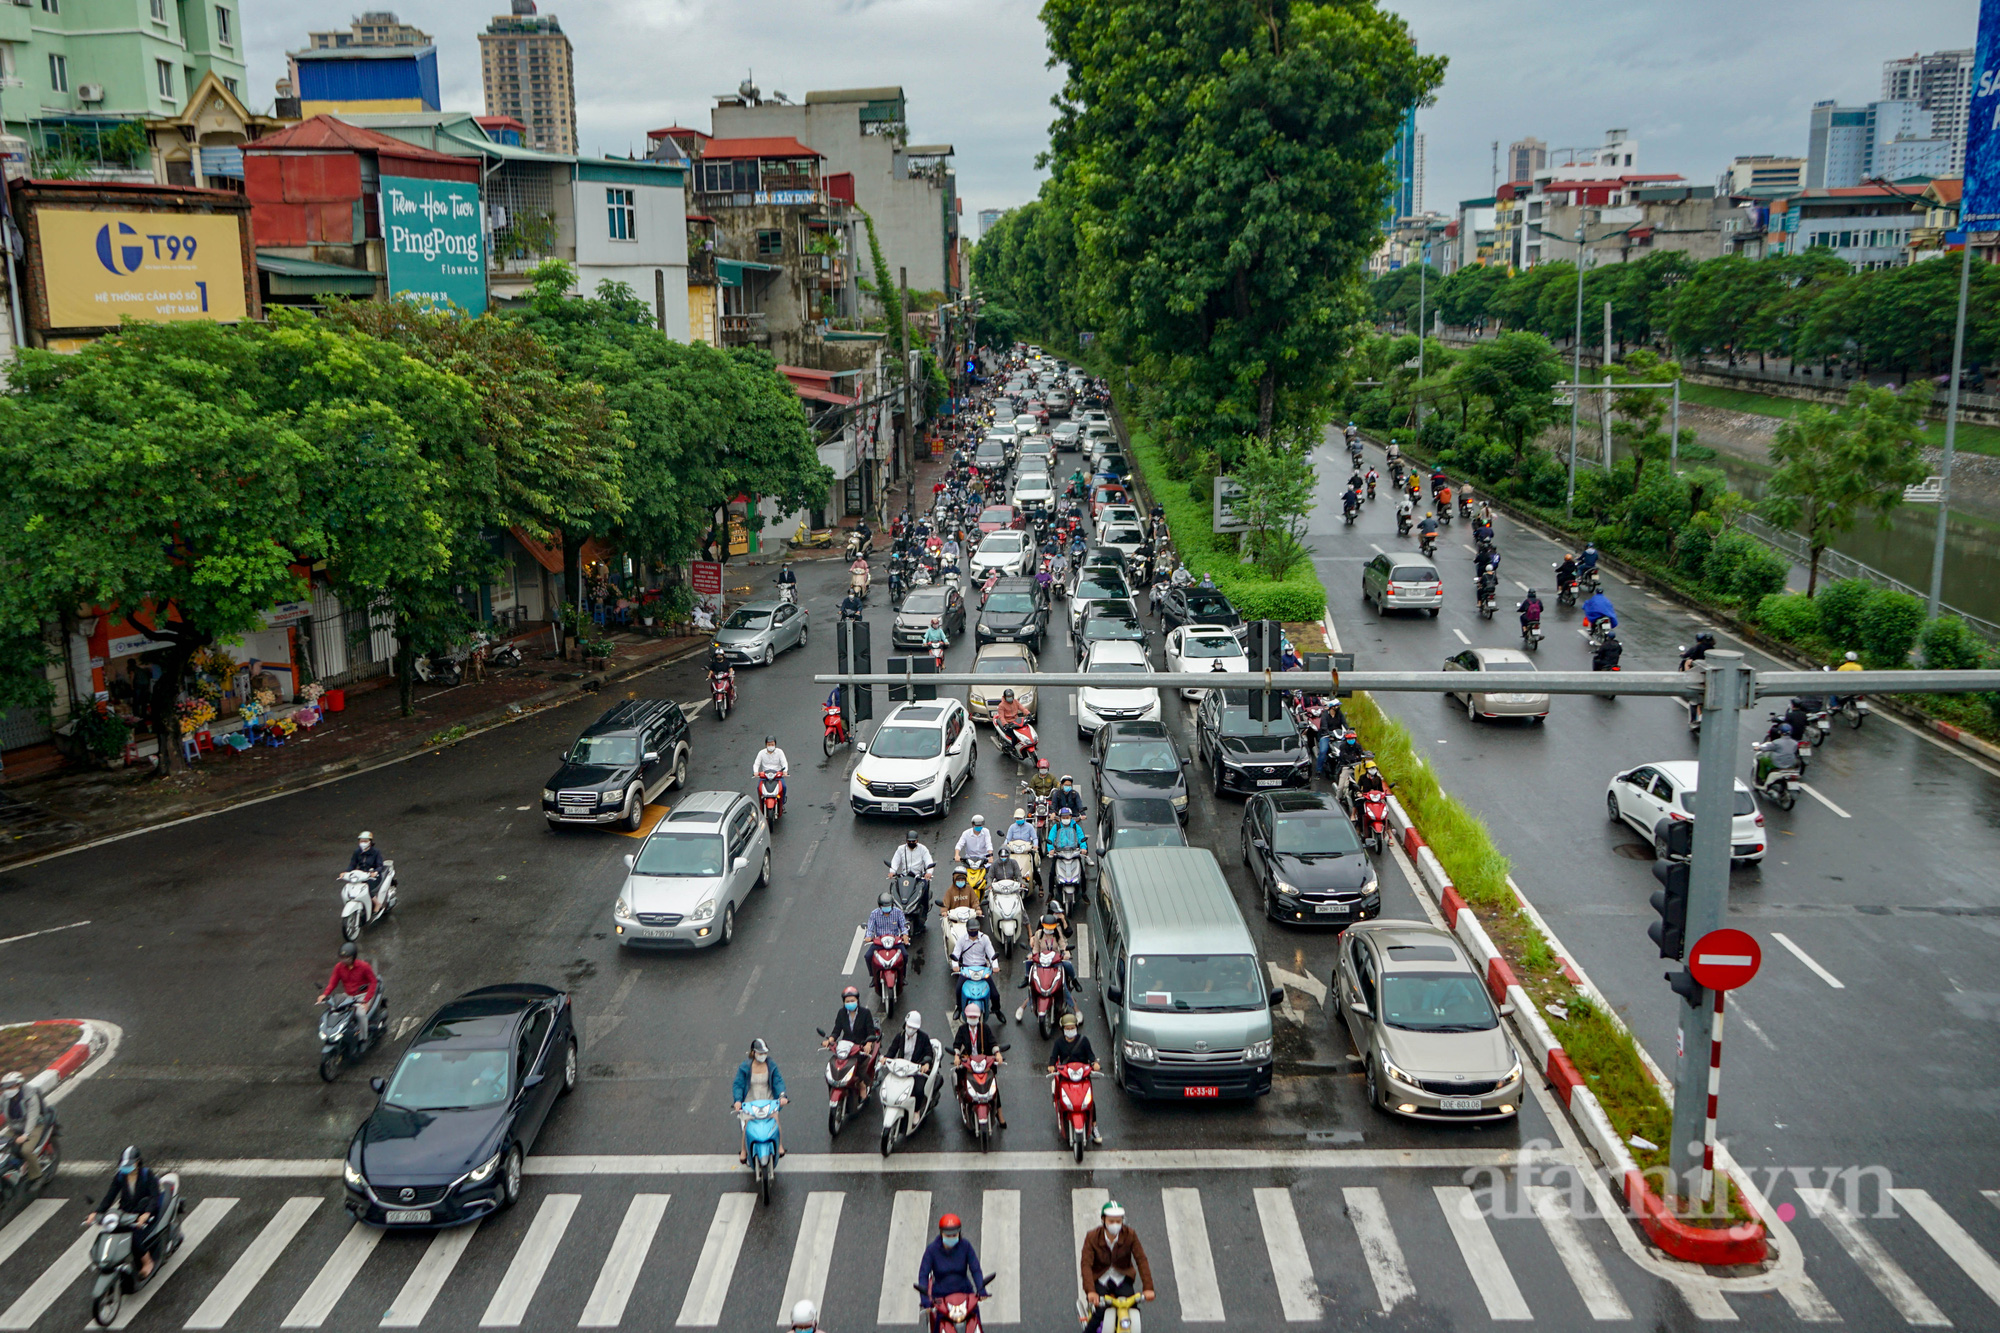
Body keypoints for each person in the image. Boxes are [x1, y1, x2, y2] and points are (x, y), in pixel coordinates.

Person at [89, 1148, 167, 1279]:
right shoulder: (120, 1176)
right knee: (112, 1231)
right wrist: (97, 1212)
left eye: (129, 1164)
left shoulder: (147, 1175)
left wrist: (147, 1213)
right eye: (124, 1165)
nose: (126, 1168)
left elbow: (155, 1197)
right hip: (126, 1213)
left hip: (145, 1213)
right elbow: (110, 1196)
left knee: (134, 1236)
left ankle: (147, 1262)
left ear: (137, 1163)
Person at [1079, 1200, 1156, 1333]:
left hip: (1121, 1278)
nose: (1115, 1225)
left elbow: (1141, 1260)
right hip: (1100, 1278)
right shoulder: (1092, 1237)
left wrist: (1148, 1288)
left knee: (1132, 1308)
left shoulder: (1130, 1235)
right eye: (1111, 1221)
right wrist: (1091, 1291)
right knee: (1100, 1311)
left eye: (1118, 1221)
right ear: (1103, 1220)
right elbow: (1086, 1264)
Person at [917, 1213, 989, 1321]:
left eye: (954, 1235)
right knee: (938, 1323)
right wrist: (925, 1299)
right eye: (948, 1236)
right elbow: (923, 1274)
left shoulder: (966, 1246)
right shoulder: (932, 1250)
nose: (951, 1238)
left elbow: (975, 1269)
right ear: (941, 1234)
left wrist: (981, 1289)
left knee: (974, 1320)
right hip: (941, 1295)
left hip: (964, 1291)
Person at [1046, 1012, 1102, 1142]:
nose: (1070, 1031)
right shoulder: (1058, 1043)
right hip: (1066, 1076)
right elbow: (1053, 1057)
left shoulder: (1084, 1041)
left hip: (1083, 1076)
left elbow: (1091, 1056)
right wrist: (1051, 1066)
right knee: (1061, 1097)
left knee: (1090, 1101)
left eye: (1072, 1028)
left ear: (1076, 1027)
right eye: (1067, 1028)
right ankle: (1062, 1115)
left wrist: (1095, 1063)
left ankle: (1094, 1127)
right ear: (1062, 1029)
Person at [729, 1038, 787, 1163]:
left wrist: (782, 1096)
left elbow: (778, 1081)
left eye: (764, 1053)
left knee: (775, 1119)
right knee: (748, 1123)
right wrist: (738, 1101)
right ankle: (744, 1150)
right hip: (751, 1099)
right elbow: (738, 1084)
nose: (763, 1056)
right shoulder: (745, 1067)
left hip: (767, 1098)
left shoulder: (771, 1065)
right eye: (760, 1053)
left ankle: (780, 1145)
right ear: (753, 1053)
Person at [951, 1002, 1006, 1128]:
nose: (972, 1019)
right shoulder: (962, 1030)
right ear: (966, 1017)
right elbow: (957, 1044)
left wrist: (997, 1053)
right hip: (969, 1062)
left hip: (984, 1063)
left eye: (975, 1017)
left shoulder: (985, 1028)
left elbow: (993, 1043)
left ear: (979, 1017)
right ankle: (964, 1100)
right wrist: (956, 1055)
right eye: (970, 1017)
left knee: (994, 1087)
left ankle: (999, 1113)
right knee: (960, 1076)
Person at [317, 941, 383, 1046]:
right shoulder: (339, 967)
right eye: (342, 958)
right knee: (336, 1010)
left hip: (363, 995)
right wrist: (325, 994)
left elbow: (373, 982)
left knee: (360, 1014)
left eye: (346, 958)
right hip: (348, 995)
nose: (344, 960)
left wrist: (366, 1000)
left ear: (353, 957)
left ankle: (363, 1039)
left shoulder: (364, 966)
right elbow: (332, 982)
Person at [883, 1012, 940, 1120]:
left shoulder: (924, 1038)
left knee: (918, 1089)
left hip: (916, 1070)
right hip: (900, 1069)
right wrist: (885, 1058)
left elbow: (929, 1053)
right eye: (909, 1026)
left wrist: (926, 1064)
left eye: (914, 1028)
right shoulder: (899, 1036)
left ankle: (917, 1110)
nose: (910, 1029)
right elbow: (892, 1050)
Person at [2, 1071, 47, 1184]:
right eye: (5, 1087)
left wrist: (26, 1135)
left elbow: (32, 1117)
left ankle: (37, 1176)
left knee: (26, 1150)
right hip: (15, 1127)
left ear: (19, 1084)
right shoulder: (5, 1097)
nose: (7, 1090)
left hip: (33, 1127)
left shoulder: (31, 1097)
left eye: (10, 1086)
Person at [827, 985, 880, 1068]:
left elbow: (871, 1032)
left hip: (861, 1047)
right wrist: (829, 1040)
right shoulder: (841, 1013)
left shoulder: (865, 1013)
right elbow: (836, 1031)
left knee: (861, 1070)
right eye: (847, 1001)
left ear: (857, 1000)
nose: (850, 1003)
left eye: (852, 1001)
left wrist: (868, 1044)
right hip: (846, 1048)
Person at [1043, 810, 1089, 896]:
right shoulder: (1056, 827)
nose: (1065, 819)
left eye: (1067, 817)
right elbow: (1051, 838)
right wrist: (1051, 849)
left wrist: (1083, 848)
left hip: (1074, 852)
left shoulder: (1076, 826)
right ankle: (1050, 893)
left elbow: (1081, 837)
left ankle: (1084, 893)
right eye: (1063, 817)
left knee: (1082, 873)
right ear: (1060, 818)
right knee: (1052, 873)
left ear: (1071, 817)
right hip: (1060, 852)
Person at [889, 831, 935, 915]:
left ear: (917, 840)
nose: (911, 843)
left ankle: (924, 910)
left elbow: (928, 860)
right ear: (906, 841)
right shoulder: (900, 849)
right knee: (894, 889)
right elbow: (895, 861)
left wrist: (929, 872)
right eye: (909, 841)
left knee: (924, 888)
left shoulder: (923, 849)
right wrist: (892, 871)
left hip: (918, 878)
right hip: (904, 877)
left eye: (913, 841)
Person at [347, 831, 387, 917]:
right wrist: (346, 873)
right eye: (361, 841)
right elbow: (352, 864)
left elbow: (380, 865)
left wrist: (375, 872)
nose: (363, 843)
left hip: (373, 876)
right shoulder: (357, 852)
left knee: (366, 888)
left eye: (365, 841)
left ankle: (377, 904)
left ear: (370, 842)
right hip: (361, 875)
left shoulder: (376, 852)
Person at [752, 736, 790, 815]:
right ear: (766, 745)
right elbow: (756, 763)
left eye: (772, 744)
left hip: (777, 775)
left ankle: (782, 803)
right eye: (769, 744)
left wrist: (785, 771)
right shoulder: (761, 753)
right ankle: (761, 803)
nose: (771, 746)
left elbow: (784, 762)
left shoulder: (780, 752)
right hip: (765, 775)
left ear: (775, 744)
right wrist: (756, 772)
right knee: (758, 787)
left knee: (783, 786)